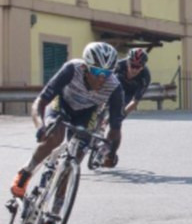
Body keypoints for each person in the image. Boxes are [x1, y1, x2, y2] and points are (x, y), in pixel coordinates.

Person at [9, 42, 124, 213]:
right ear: (86, 67)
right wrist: (40, 127)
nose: (102, 78)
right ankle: (26, 172)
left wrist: (111, 152)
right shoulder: (72, 69)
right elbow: (39, 102)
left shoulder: (114, 87)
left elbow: (115, 128)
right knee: (55, 136)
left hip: (87, 113)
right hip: (62, 104)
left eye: (107, 73)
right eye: (97, 71)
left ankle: (54, 214)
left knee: (73, 162)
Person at [114, 47, 151, 118]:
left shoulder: (145, 76)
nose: (134, 70)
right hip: (117, 85)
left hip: (130, 93)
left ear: (142, 67)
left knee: (121, 111)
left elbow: (135, 101)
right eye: (132, 65)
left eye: (137, 67)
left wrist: (123, 114)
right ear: (127, 62)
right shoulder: (119, 65)